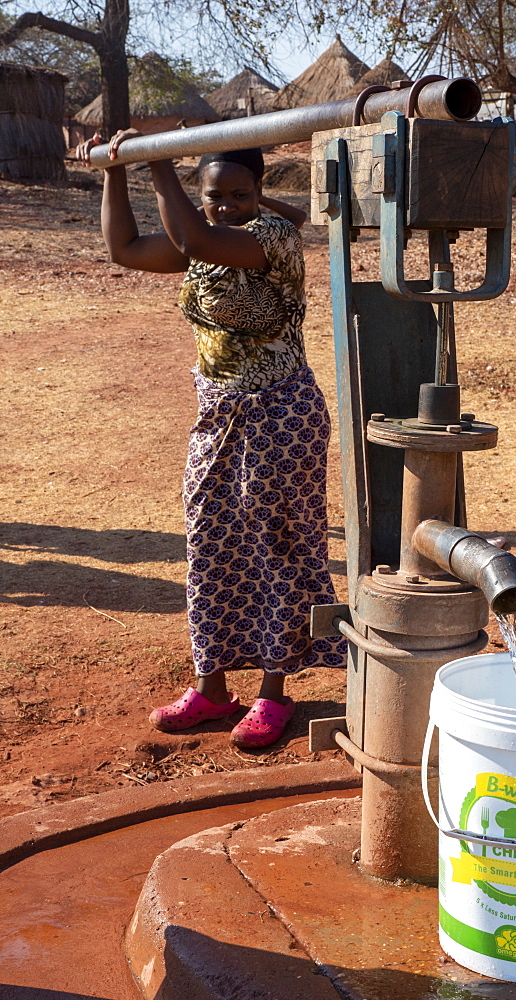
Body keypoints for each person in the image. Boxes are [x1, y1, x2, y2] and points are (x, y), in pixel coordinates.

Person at [77, 131, 346, 749]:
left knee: (277, 543)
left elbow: (196, 237)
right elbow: (122, 248)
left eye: (238, 193)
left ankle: (274, 693)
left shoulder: (270, 238)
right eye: (213, 196)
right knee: (209, 541)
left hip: (280, 412)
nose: (225, 204)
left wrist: (159, 164)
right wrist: (114, 172)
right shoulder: (198, 241)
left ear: (258, 193)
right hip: (218, 412)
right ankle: (212, 688)